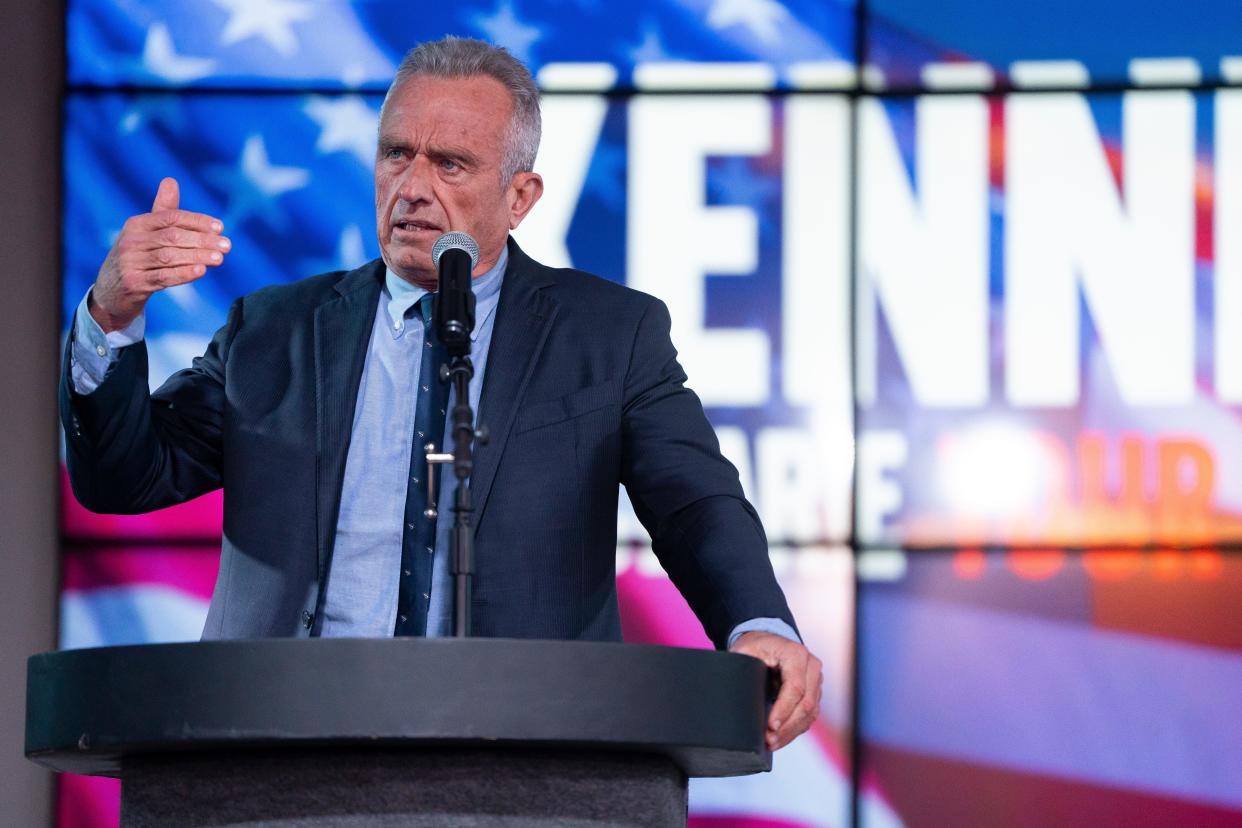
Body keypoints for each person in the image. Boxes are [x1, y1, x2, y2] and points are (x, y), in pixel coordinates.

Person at [60, 36, 822, 751]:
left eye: (451, 164)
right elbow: (124, 478)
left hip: (523, 752)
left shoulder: (609, 335)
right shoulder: (272, 330)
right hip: (275, 747)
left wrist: (756, 624)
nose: (414, 188)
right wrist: (112, 315)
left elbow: (693, 504)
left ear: (520, 196)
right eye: (397, 153)